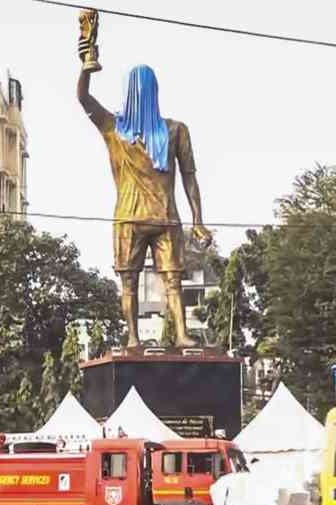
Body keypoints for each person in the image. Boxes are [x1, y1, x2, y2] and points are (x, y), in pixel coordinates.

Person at [76, 10, 214, 349]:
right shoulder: (175, 129)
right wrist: (198, 221)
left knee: (129, 284)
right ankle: (180, 335)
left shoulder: (114, 128)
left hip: (129, 218)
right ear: (155, 91)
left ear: (127, 93)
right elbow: (191, 178)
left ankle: (134, 338)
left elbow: (83, 99)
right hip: (166, 216)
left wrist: (85, 68)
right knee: (173, 283)